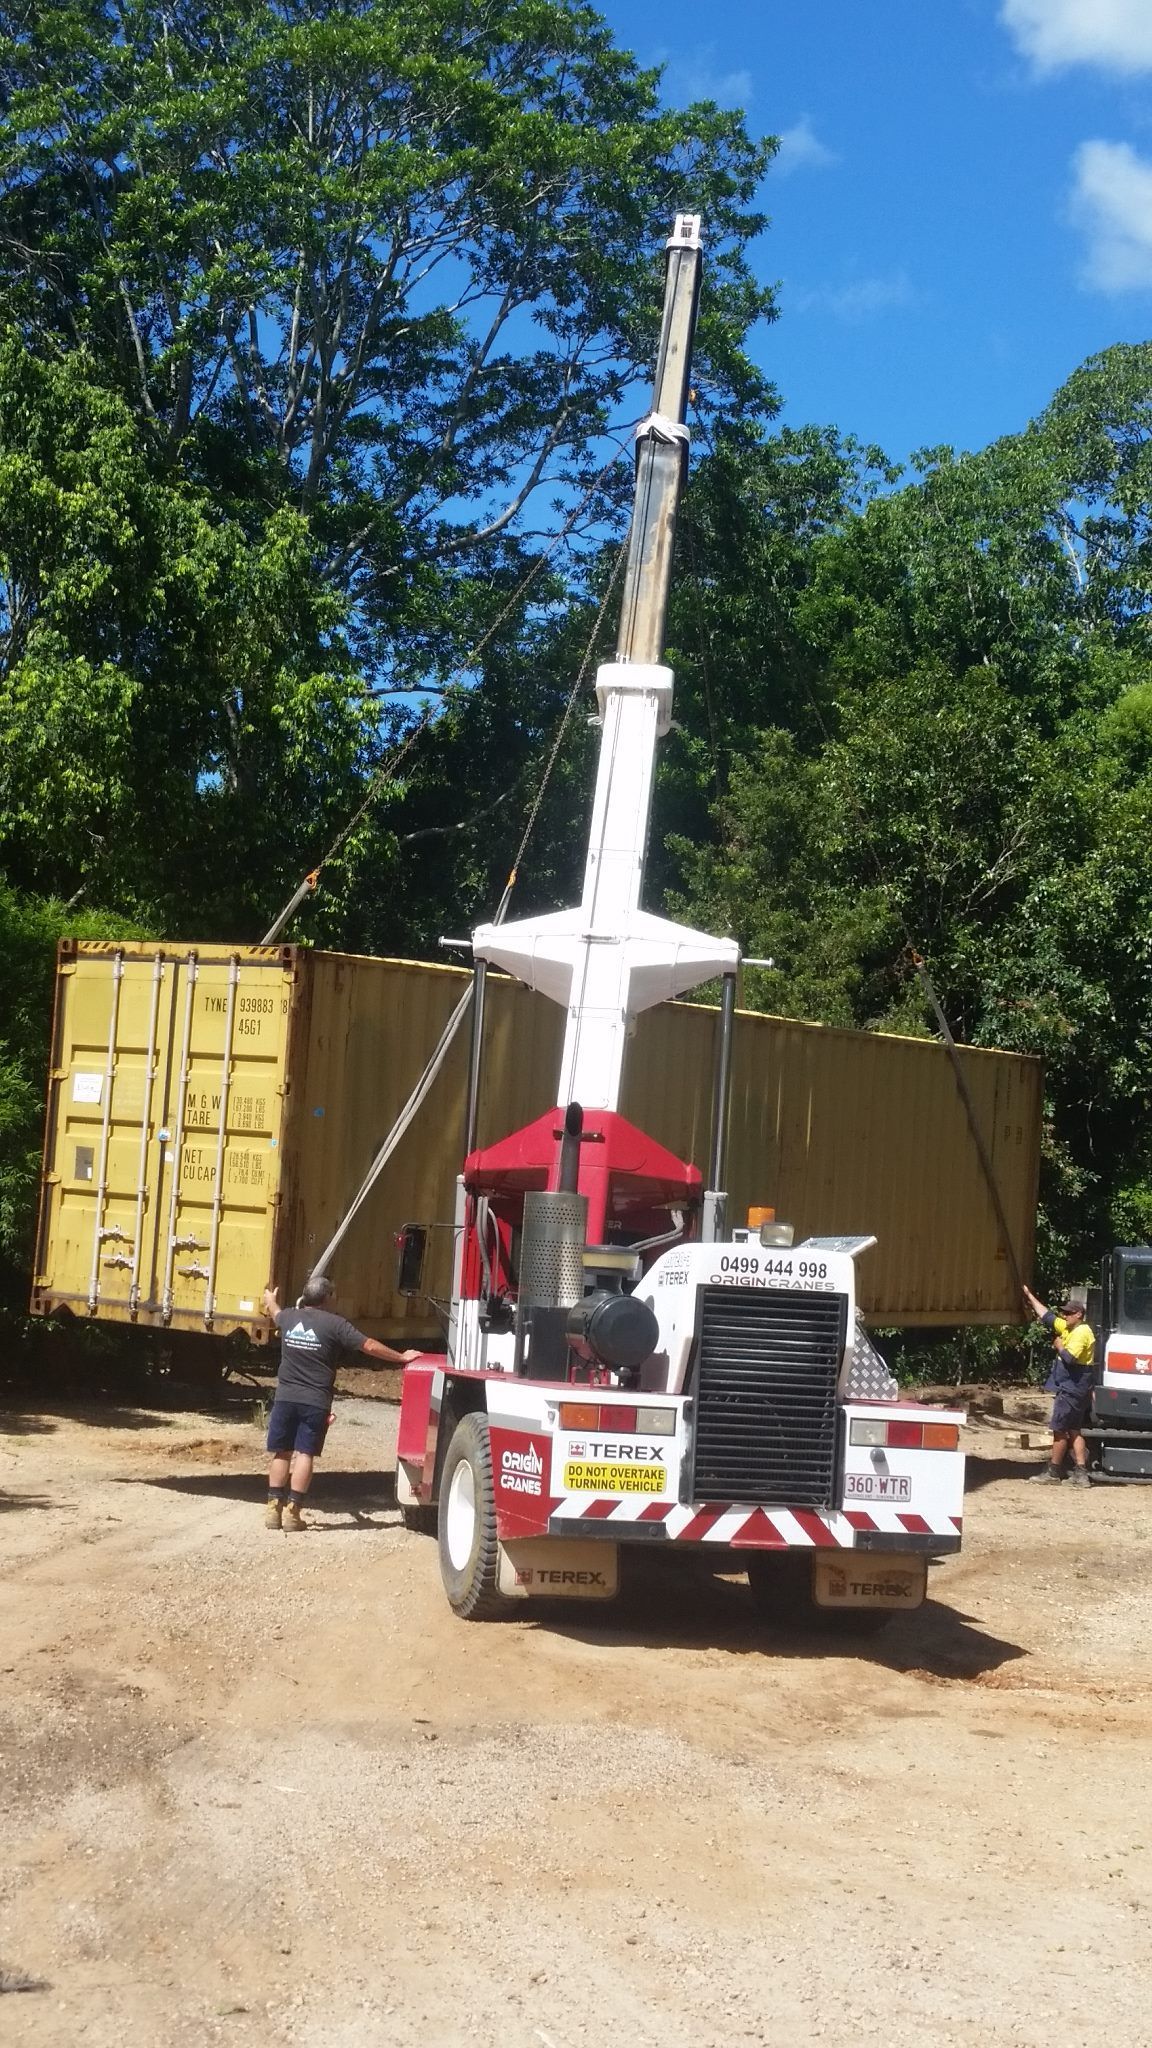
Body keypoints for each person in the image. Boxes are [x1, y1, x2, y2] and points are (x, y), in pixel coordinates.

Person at [261, 1275, 419, 1531]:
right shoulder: (335, 1325)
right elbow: (368, 1345)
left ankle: (272, 1510)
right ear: (326, 1298)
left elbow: (276, 1313)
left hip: (285, 1397)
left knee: (282, 1452)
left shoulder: (290, 1317)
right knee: (305, 1453)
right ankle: (293, 1512)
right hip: (315, 1401)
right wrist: (401, 1357)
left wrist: (270, 1300)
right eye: (333, 1295)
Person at [1021, 1284, 1096, 1489]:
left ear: (1079, 1314)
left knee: (1060, 1429)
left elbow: (1070, 1359)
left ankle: (1054, 1471)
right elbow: (1047, 1316)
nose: (1064, 1316)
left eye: (1069, 1313)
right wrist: (1029, 1295)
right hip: (1077, 1387)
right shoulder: (1069, 1326)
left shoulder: (1081, 1332)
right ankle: (1081, 1473)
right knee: (1073, 1430)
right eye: (1064, 1313)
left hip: (1072, 1387)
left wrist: (1059, 1345)